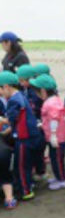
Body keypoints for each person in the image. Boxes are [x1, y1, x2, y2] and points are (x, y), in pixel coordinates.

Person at [0, 71, 40, 200]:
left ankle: (26, 191)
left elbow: (10, 119)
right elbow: (18, 120)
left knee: (21, 166)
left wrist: (1, 120)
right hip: (30, 135)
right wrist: (6, 132)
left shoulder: (13, 101)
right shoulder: (21, 95)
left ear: (6, 87)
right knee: (25, 164)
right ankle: (28, 184)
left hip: (24, 139)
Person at [31, 74, 65, 190]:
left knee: (57, 159)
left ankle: (62, 179)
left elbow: (54, 119)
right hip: (56, 136)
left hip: (57, 137)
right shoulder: (54, 100)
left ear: (42, 91)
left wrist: (53, 135)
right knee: (54, 158)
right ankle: (58, 177)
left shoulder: (50, 103)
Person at [17, 64, 47, 181]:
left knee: (38, 149)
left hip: (38, 123)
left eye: (22, 81)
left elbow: (37, 107)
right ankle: (37, 169)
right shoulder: (24, 90)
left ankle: (40, 170)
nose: (21, 83)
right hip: (32, 123)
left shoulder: (35, 91)